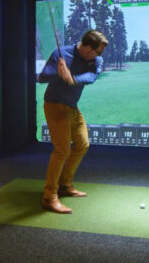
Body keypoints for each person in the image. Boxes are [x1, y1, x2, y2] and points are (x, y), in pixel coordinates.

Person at [37, 29, 108, 214]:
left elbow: (91, 77)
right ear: (86, 47)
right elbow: (42, 77)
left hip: (72, 107)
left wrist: (72, 78)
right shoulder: (61, 54)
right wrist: (57, 72)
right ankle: (49, 197)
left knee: (82, 144)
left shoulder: (95, 60)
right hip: (54, 105)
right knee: (61, 150)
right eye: (97, 51)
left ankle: (65, 185)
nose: (99, 56)